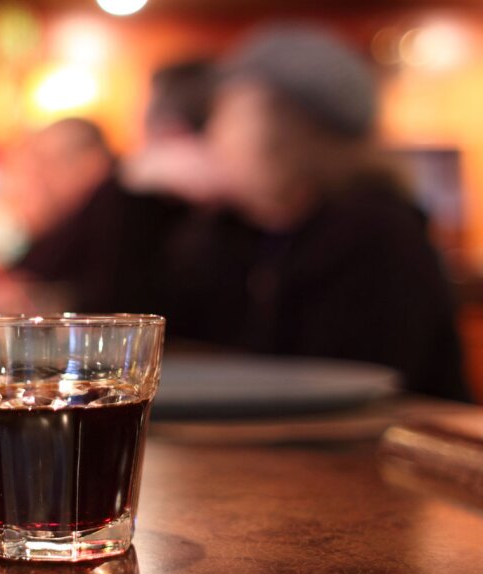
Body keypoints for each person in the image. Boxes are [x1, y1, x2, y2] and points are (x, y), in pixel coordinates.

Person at [155, 25, 469, 401]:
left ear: (288, 130)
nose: (213, 131)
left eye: (229, 111)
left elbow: (353, 386)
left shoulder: (377, 233)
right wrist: (140, 202)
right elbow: (157, 342)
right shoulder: (226, 232)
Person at [0, 61, 216, 314]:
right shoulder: (83, 214)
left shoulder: (122, 201)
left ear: (92, 162)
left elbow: (112, 302)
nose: (38, 179)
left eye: (49, 163)